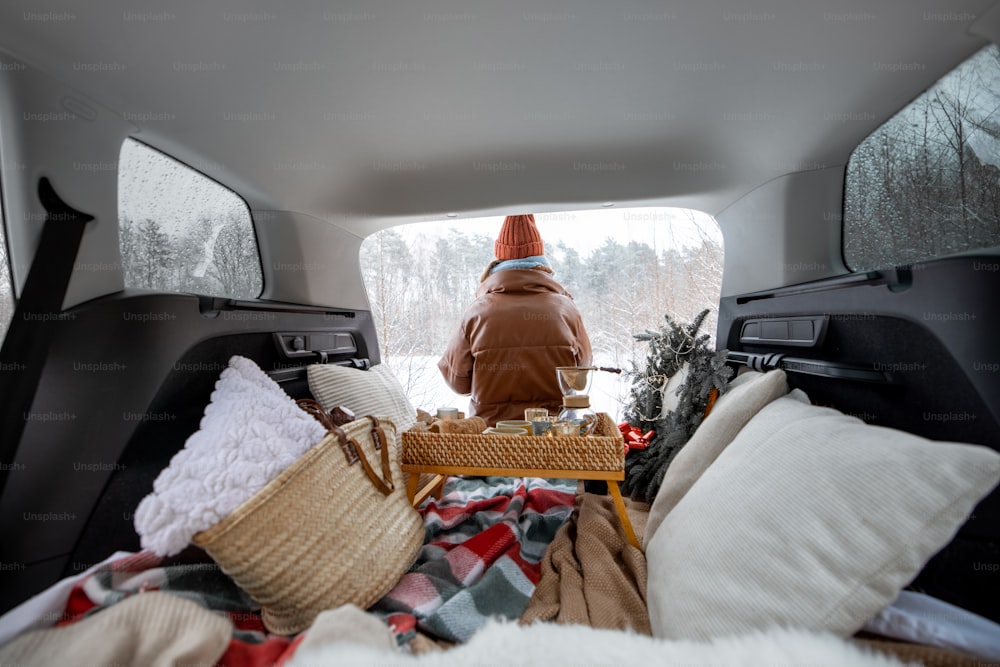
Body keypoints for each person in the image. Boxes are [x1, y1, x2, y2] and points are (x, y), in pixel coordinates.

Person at [438, 214, 593, 426]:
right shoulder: (566, 309)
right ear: (541, 261)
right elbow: (580, 375)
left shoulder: (477, 312)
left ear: (499, 260)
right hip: (554, 439)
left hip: (493, 439)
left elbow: (458, 383)